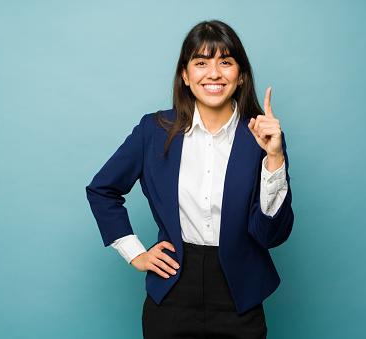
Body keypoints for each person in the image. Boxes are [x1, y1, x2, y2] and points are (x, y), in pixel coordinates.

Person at [86, 20, 293, 339]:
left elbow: (271, 235)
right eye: (201, 62)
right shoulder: (154, 131)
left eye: (225, 62)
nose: (214, 73)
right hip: (172, 291)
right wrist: (135, 253)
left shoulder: (262, 137)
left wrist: (274, 159)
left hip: (240, 293)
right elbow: (103, 190)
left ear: (240, 76)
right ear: (185, 75)